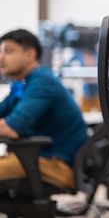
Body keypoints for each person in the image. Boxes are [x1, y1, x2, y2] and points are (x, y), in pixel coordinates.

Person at [0, 29, 88, 189]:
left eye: (8, 51)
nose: (1, 57)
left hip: (55, 165)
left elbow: (10, 129)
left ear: (30, 54)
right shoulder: (21, 85)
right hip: (34, 160)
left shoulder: (42, 81)